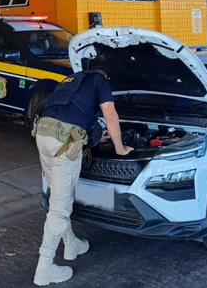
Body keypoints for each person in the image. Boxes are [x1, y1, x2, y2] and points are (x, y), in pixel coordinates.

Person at [31, 67, 133, 286]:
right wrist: (119, 147)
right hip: (64, 141)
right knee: (61, 207)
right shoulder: (101, 80)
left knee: (58, 196)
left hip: (43, 134)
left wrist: (98, 134)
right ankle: (45, 268)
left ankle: (71, 244)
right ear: (104, 75)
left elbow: (77, 114)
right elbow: (110, 115)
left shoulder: (71, 81)